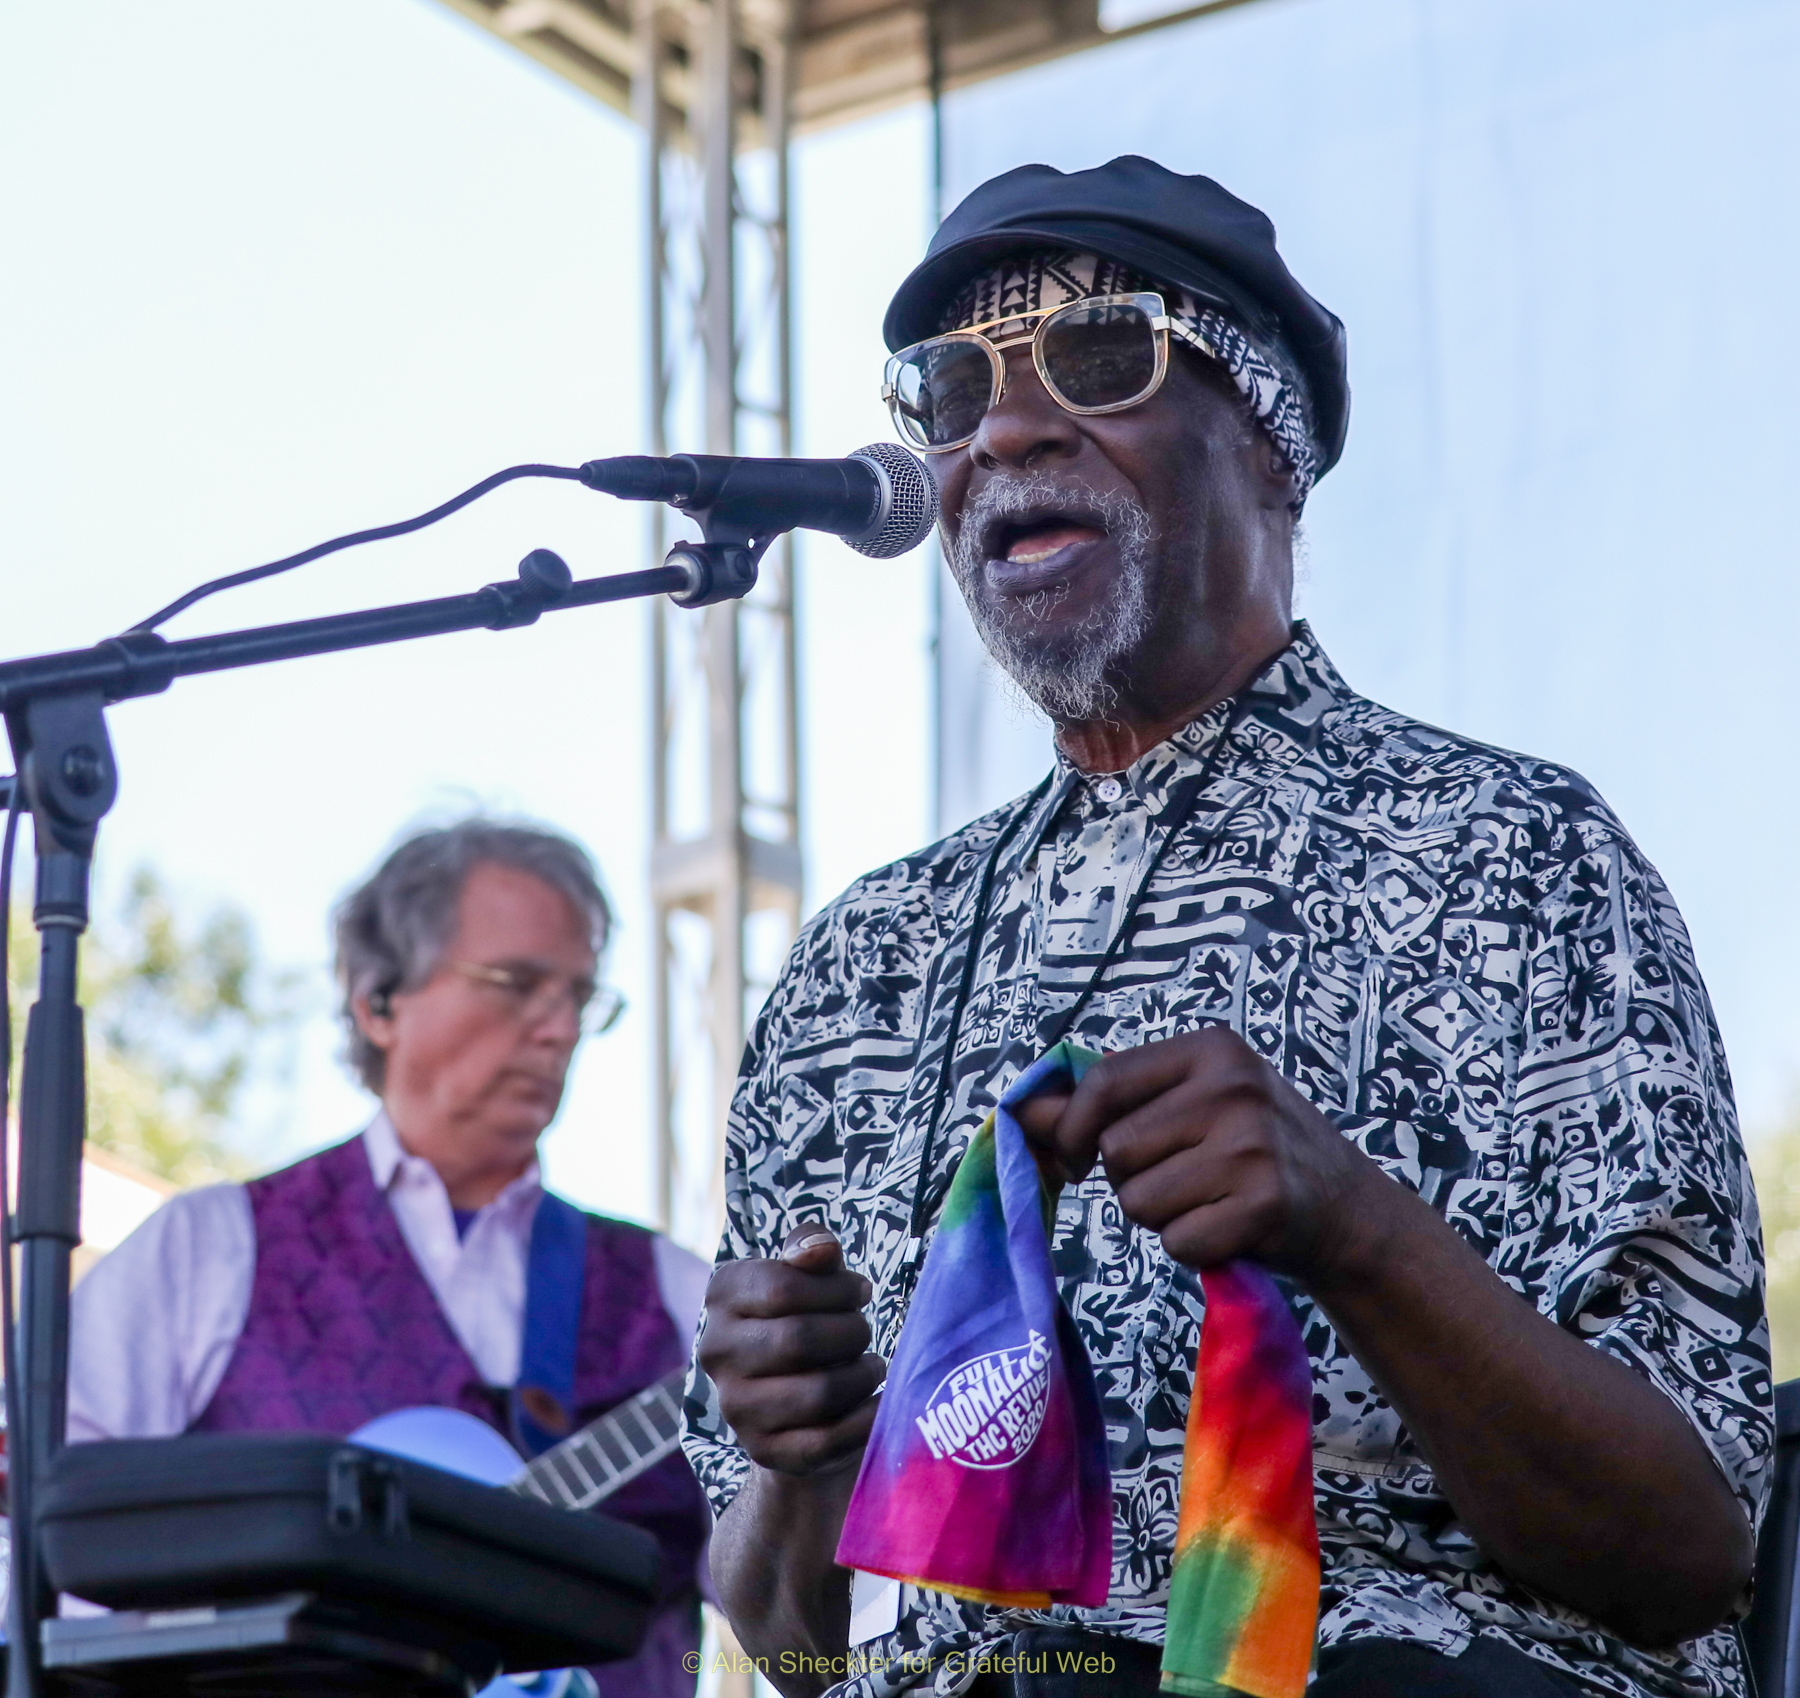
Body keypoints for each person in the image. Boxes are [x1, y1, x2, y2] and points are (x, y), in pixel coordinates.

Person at [681, 157, 1771, 1698]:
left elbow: (1687, 1551)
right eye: (950, 389)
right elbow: (792, 1650)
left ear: (1270, 440)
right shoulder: (862, 969)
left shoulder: (1512, 859)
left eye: (1100, 355)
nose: (1002, 428)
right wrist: (801, 1462)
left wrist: (1357, 1227)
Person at [69, 819, 710, 1698]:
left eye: (582, 998)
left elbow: (806, 1614)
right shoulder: (208, 1251)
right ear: (378, 1001)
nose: (560, 1029)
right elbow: (63, 1543)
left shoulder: (682, 1300)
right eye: (517, 984)